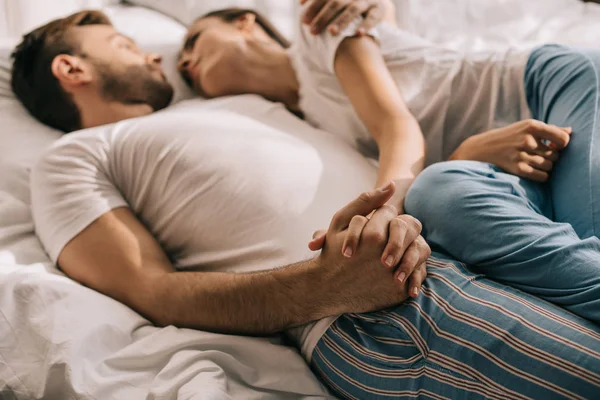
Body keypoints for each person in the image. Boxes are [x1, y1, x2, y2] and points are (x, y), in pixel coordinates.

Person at [11, 7, 599, 400]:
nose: (154, 57)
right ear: (72, 68)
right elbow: (152, 290)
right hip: (371, 309)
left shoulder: (259, 104)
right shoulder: (73, 159)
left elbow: (394, 117)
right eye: (122, 44)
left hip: (445, 238)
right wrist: (327, 286)